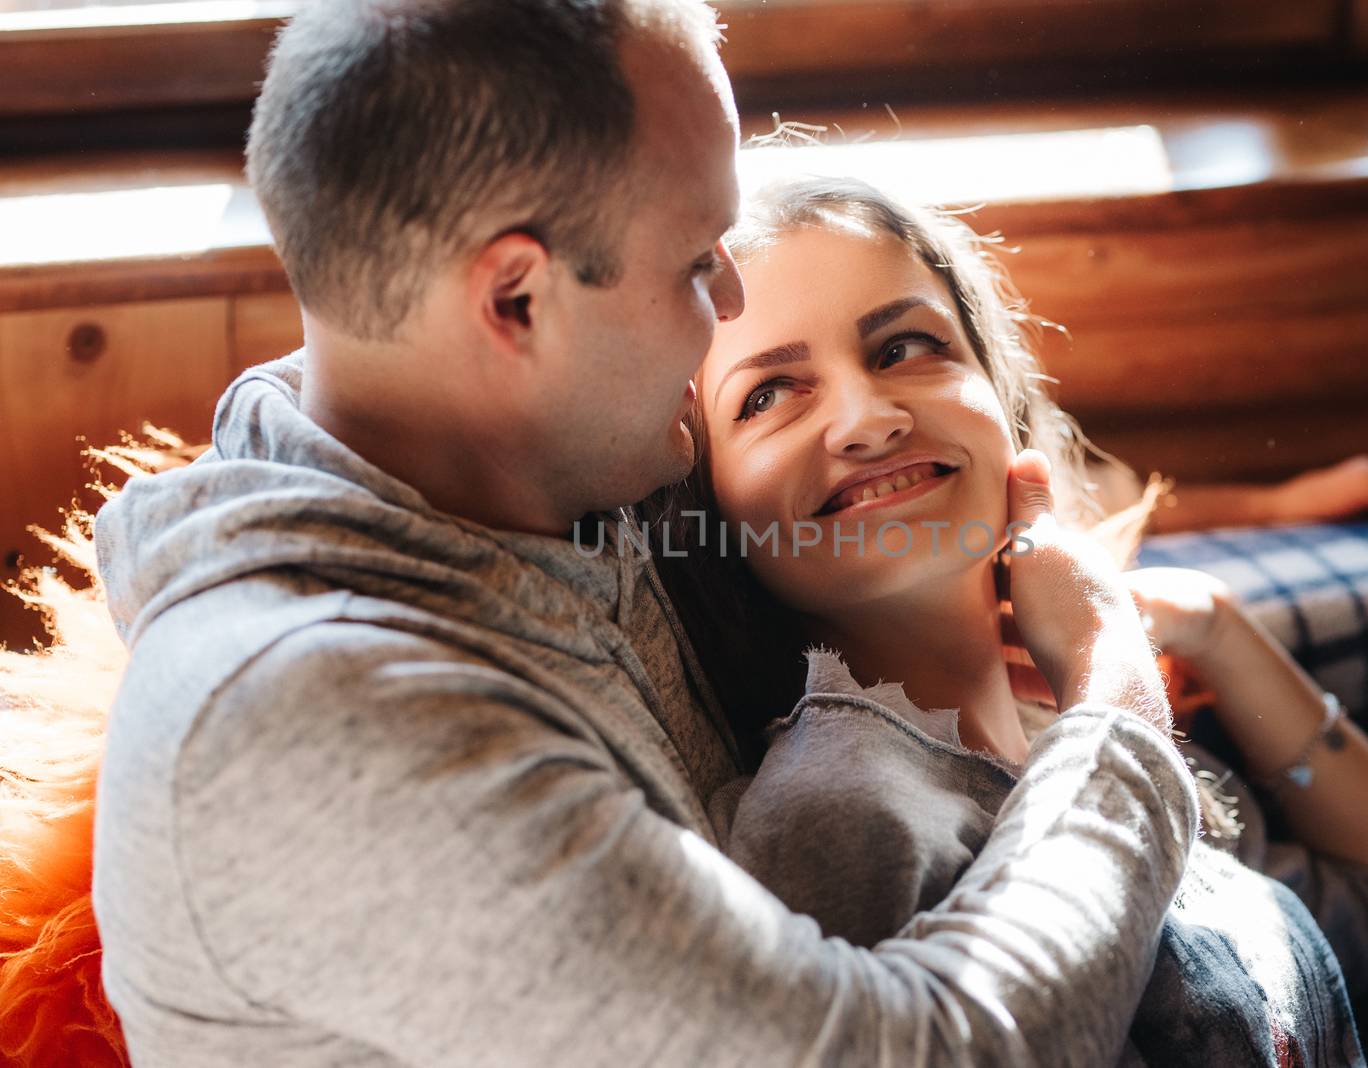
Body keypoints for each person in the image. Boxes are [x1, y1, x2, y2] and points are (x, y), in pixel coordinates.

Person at [85, 1, 1202, 1064]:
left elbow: (898, 466)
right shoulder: (333, 731)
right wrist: (1118, 697)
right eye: (694, 259)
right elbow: (922, 1054)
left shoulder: (503, 449)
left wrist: (1207, 514)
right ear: (515, 300)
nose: (726, 299)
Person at [640, 176, 1368, 1063]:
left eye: (904, 348)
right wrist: (1107, 660)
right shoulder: (835, 813)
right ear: (716, 515)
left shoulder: (1087, 727)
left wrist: (1214, 624)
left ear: (1002, 408)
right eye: (769, 395)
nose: (867, 418)